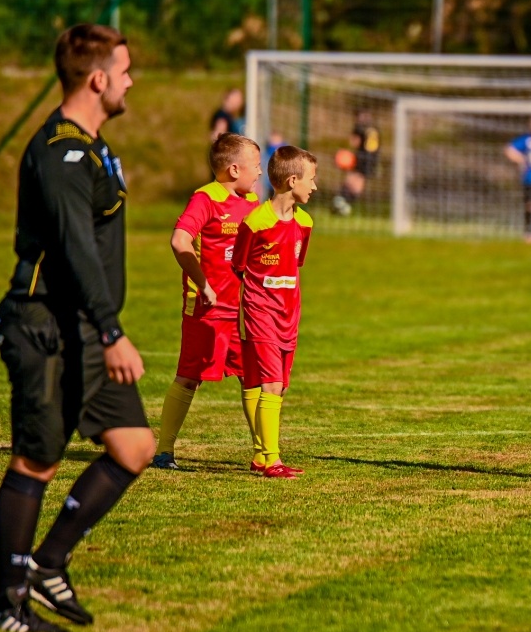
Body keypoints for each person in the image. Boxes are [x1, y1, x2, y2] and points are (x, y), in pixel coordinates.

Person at [0, 24, 151, 632]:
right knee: (37, 463)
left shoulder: (95, 145)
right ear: (98, 77)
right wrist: (111, 331)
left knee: (134, 447)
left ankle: (50, 562)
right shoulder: (60, 152)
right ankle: (8, 604)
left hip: (80, 324)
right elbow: (76, 249)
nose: (132, 81)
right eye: (126, 70)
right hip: (44, 325)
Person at [153, 133, 264, 471]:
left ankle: (264, 453)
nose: (259, 173)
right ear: (234, 169)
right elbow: (179, 240)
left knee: (252, 376)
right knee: (189, 376)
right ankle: (163, 451)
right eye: (255, 166)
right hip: (208, 308)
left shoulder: (252, 204)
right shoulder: (205, 199)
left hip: (243, 309)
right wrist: (202, 284)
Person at [232, 145, 318, 478]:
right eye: (311, 179)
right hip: (259, 312)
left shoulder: (305, 223)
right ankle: (272, 459)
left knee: (277, 386)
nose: (314, 187)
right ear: (292, 180)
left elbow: (294, 266)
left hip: (289, 315)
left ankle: (259, 455)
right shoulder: (256, 222)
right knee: (270, 384)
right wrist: (256, 301)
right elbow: (239, 265)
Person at [332, 110, 381, 216]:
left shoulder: (359, 127)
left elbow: (354, 142)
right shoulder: (375, 128)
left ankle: (341, 201)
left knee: (352, 180)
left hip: (361, 156)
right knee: (358, 183)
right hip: (372, 159)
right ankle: (343, 204)